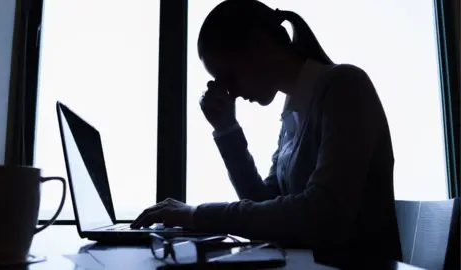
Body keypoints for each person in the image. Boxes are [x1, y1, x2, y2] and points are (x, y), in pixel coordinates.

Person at [131, 0, 402, 263]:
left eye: (230, 77)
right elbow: (266, 204)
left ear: (259, 46)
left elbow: (323, 215)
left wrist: (196, 215)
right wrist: (226, 131)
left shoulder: (345, 87)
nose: (231, 93)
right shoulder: (295, 111)